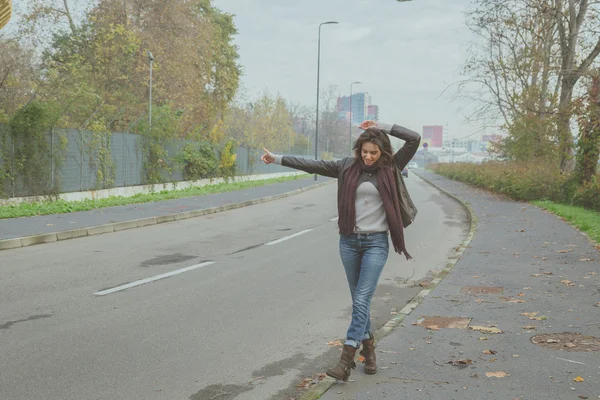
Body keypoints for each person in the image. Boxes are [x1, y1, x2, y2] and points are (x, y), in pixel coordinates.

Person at [260, 120, 420, 381]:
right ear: (359, 150)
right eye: (365, 152)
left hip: (376, 244)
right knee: (360, 302)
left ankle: (345, 360)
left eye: (374, 152)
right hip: (349, 242)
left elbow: (414, 137)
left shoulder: (391, 168)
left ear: (382, 153)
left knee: (361, 299)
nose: (368, 157)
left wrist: (382, 125)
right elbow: (312, 165)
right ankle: (369, 351)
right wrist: (276, 158)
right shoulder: (347, 167)